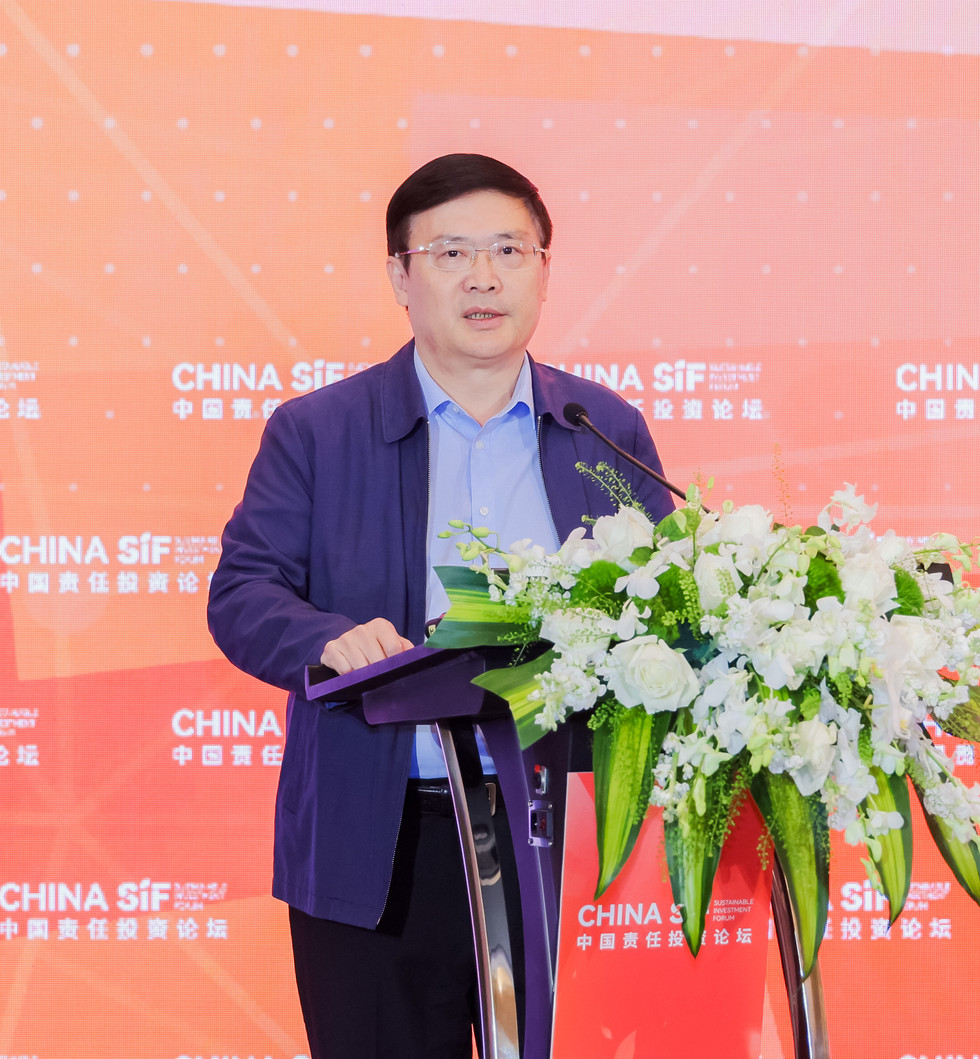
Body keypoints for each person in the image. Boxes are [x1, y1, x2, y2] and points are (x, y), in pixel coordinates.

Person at [207, 153, 675, 1059]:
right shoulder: (318, 431)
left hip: (568, 836)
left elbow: (670, 600)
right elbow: (243, 592)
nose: (484, 276)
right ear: (400, 275)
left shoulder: (602, 429)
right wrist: (328, 637)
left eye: (509, 249)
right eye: (452, 252)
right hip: (379, 843)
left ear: (544, 271)